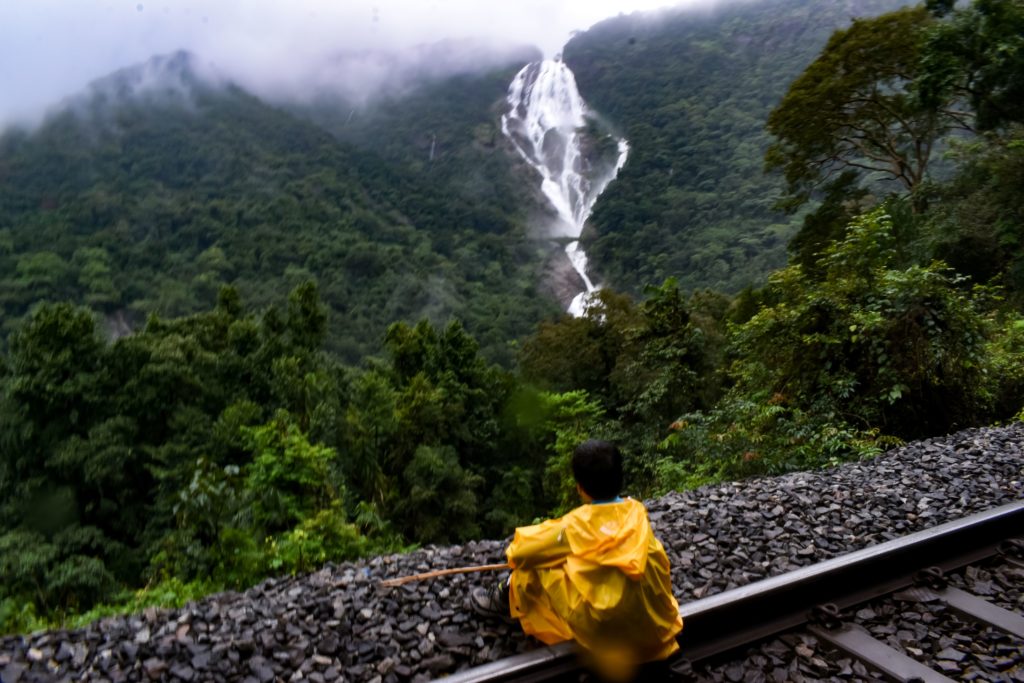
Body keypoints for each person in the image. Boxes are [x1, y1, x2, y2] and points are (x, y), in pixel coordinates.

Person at [472, 439, 683, 680]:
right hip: (659, 632)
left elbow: (519, 553)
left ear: (580, 488)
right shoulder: (637, 513)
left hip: (610, 641)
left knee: (535, 565)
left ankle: (504, 597)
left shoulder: (575, 527)